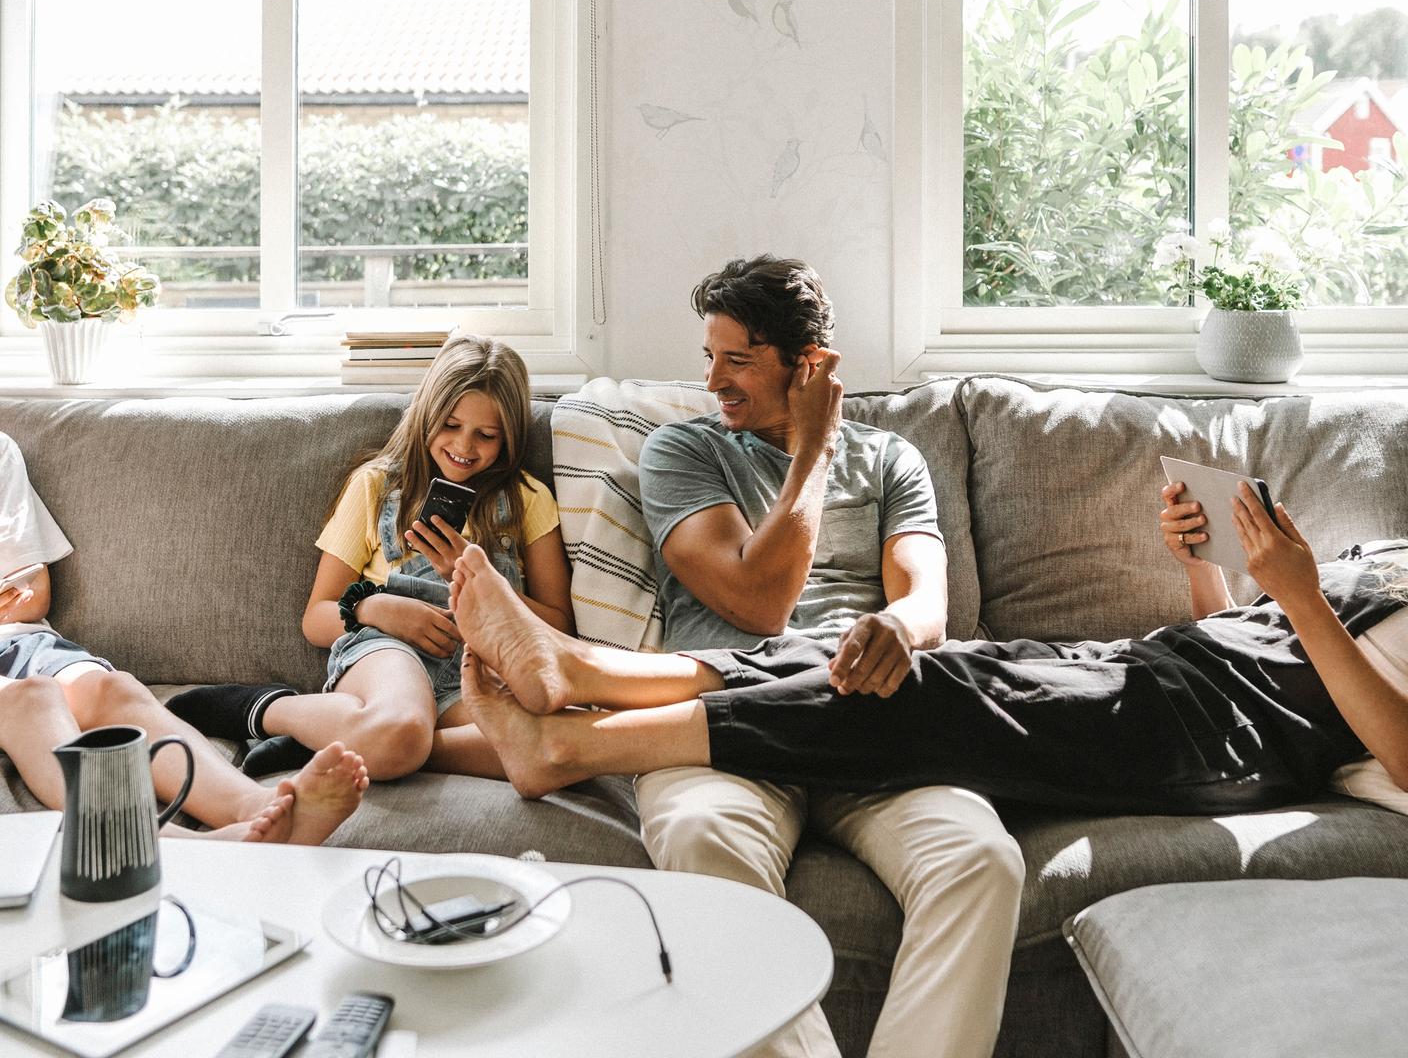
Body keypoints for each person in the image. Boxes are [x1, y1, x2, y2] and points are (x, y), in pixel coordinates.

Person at [553, 257, 1021, 1058]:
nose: (713, 381)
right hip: (729, 722)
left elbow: (925, 603)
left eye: (737, 361)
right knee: (699, 834)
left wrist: (898, 630)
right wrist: (811, 451)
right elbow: (758, 603)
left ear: (809, 367)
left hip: (862, 710)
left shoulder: (892, 461)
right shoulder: (683, 451)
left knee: (982, 858)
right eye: (710, 357)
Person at [444, 480, 1408, 822]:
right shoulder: (1395, 564)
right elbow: (1250, 641)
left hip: (1205, 741)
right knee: (840, 651)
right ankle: (579, 672)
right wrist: (1206, 567)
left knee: (911, 686)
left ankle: (566, 745)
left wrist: (1299, 591)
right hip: (1159, 667)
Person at [170, 333, 573, 782]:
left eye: (487, 435)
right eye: (451, 425)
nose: (465, 445)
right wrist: (378, 607)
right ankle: (272, 710)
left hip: (479, 666)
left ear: (509, 437)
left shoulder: (528, 500)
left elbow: (558, 626)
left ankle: (338, 736)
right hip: (389, 648)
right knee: (400, 732)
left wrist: (477, 582)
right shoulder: (376, 486)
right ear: (426, 416)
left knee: (555, 747)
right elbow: (317, 617)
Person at [0, 433, 368, 845]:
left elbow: (32, 594)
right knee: (32, 699)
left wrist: (20, 592)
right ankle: (171, 844)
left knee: (113, 688)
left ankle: (259, 809)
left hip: (17, 639)